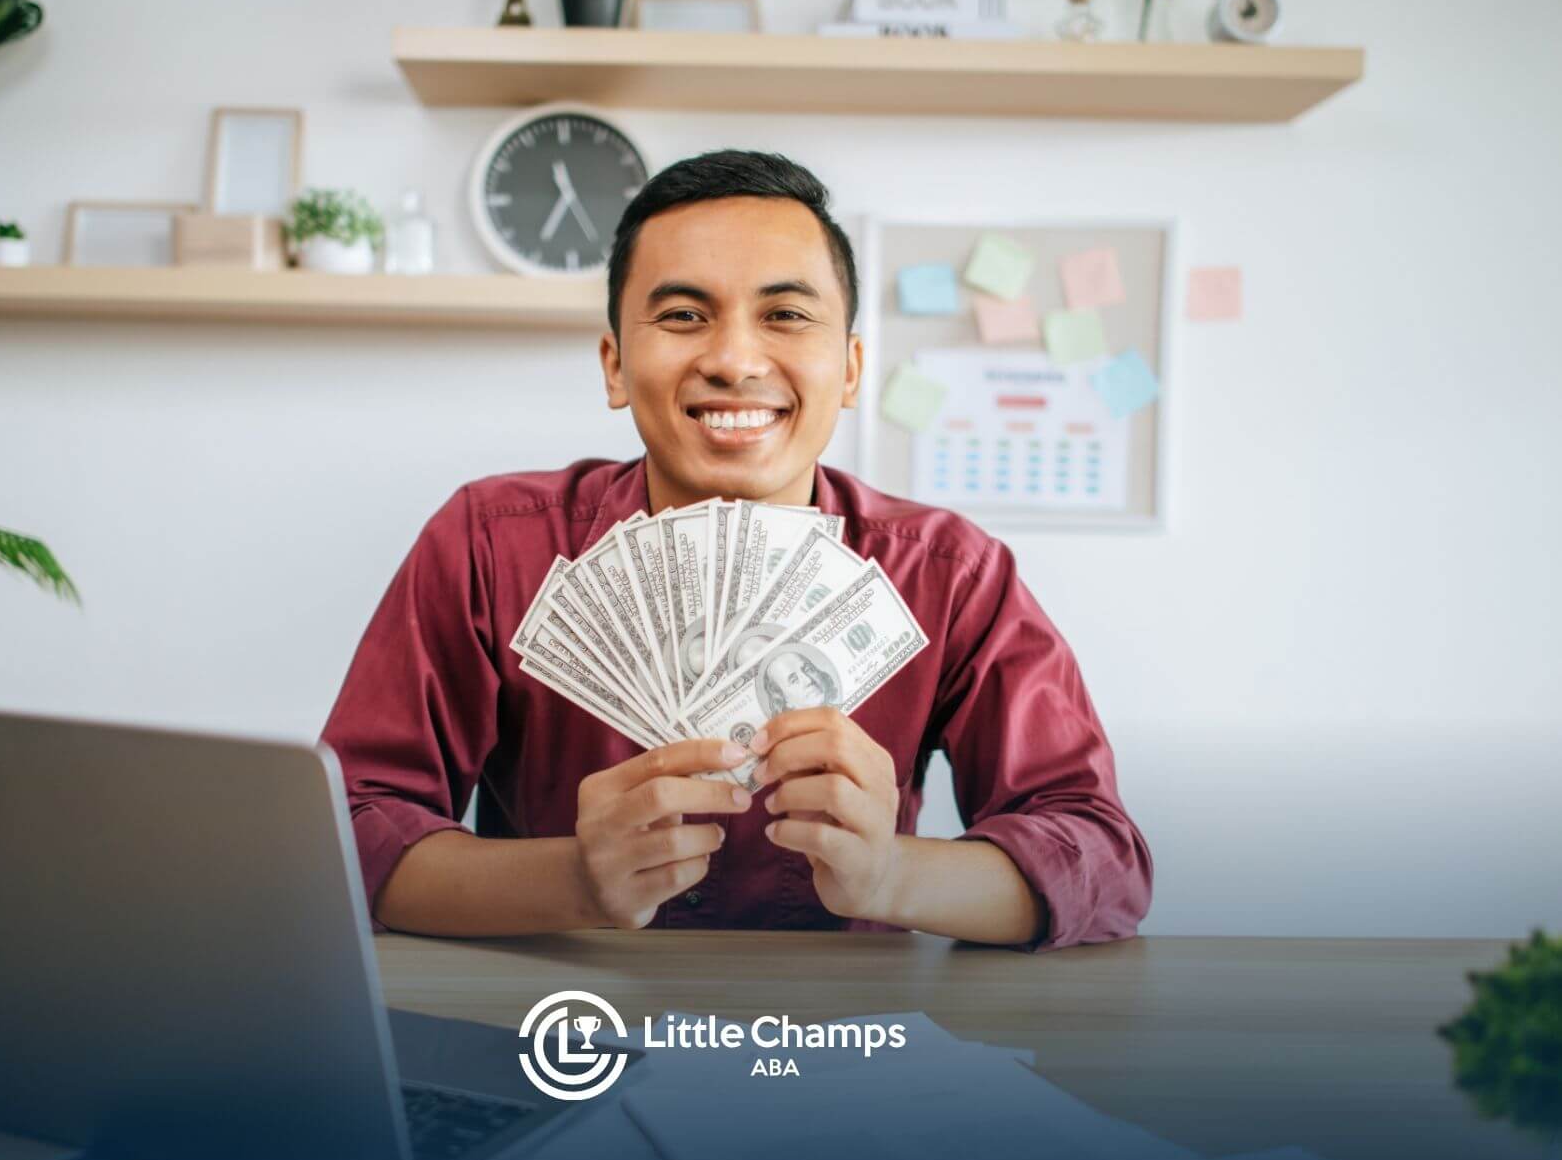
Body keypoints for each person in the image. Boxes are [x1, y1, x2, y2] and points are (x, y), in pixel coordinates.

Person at [320, 150, 1152, 948]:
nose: (733, 359)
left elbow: (1101, 860)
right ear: (614, 364)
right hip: (563, 1027)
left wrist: (891, 876)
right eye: (683, 316)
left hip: (840, 1044)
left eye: (786, 315)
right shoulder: (488, 544)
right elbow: (347, 832)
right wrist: (575, 879)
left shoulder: (952, 576)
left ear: (852, 369)